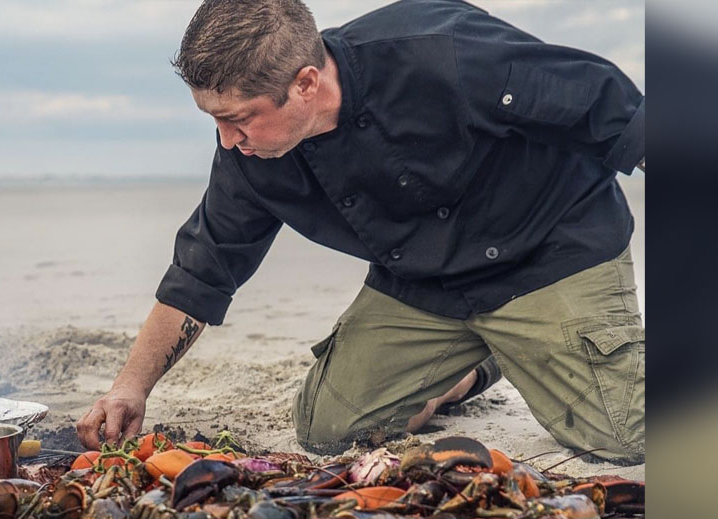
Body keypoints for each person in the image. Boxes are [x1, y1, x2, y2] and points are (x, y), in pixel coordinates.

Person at [76, 0, 645, 464]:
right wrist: (131, 387)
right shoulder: (251, 154)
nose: (227, 139)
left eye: (240, 117)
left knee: (625, 438)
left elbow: (607, 103)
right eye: (214, 120)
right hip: (422, 284)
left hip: (549, 254)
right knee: (329, 433)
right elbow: (203, 269)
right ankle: (476, 367)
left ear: (305, 83)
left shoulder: (442, 51)